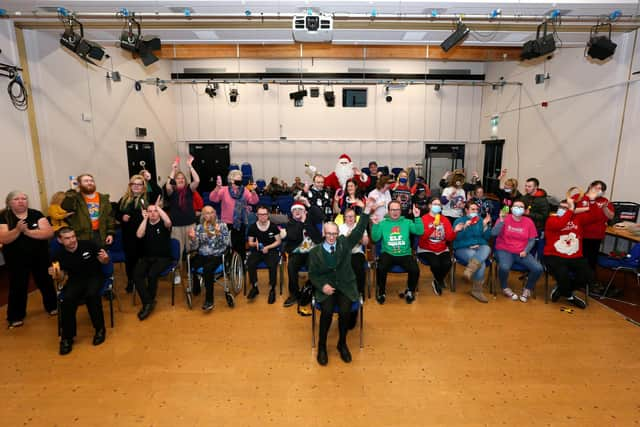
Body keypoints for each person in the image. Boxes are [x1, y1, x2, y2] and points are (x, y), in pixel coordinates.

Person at [309, 198, 374, 366]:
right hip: (326, 288)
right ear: (324, 233)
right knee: (328, 311)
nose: (331, 237)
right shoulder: (315, 252)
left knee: (345, 311)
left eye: (334, 234)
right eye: (328, 233)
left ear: (338, 234)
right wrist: (322, 286)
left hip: (345, 285)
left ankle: (342, 343)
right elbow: (313, 275)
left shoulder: (344, 243)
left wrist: (366, 212)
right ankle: (322, 346)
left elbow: (359, 231)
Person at [0, 191, 57, 328]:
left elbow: (48, 233)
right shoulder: (3, 217)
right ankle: (15, 316)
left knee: (45, 281)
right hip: (16, 259)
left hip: (40, 256)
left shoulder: (36, 214)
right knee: (18, 286)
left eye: (24, 198)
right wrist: (17, 230)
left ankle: (53, 306)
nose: (21, 201)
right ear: (9, 202)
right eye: (16, 199)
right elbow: (4, 238)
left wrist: (27, 232)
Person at [49, 227, 109, 355]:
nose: (72, 240)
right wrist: (56, 274)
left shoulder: (89, 245)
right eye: (67, 238)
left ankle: (100, 329)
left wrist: (105, 259)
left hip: (94, 276)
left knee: (92, 296)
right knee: (67, 300)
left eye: (73, 237)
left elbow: (105, 261)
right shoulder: (58, 255)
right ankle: (67, 338)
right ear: (60, 240)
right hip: (75, 280)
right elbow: (60, 277)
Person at [544, 199, 598, 309]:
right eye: (561, 207)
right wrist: (570, 210)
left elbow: (595, 216)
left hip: (575, 256)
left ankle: (561, 289)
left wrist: (591, 201)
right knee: (562, 273)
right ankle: (569, 296)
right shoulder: (552, 219)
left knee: (588, 276)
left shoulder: (579, 219)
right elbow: (560, 224)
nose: (562, 210)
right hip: (554, 255)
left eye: (566, 208)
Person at [371, 201, 424, 304]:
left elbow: (419, 231)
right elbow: (375, 238)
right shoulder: (383, 223)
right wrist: (375, 225)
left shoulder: (407, 222)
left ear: (401, 210)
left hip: (405, 254)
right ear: (388, 211)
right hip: (388, 253)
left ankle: (410, 291)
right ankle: (381, 292)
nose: (395, 212)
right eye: (392, 210)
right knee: (381, 268)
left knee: (415, 269)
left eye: (397, 209)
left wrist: (417, 217)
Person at [492, 200, 543, 302]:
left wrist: (526, 250)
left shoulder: (529, 222)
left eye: (521, 207)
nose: (518, 208)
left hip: (521, 252)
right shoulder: (504, 218)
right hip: (504, 249)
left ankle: (527, 288)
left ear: (524, 210)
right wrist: (501, 220)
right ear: (511, 208)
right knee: (504, 267)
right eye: (516, 206)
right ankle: (504, 287)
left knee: (538, 268)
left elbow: (532, 239)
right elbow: (493, 233)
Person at [133, 203, 173, 321]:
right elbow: (139, 235)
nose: (153, 213)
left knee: (152, 274)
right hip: (147, 258)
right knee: (136, 274)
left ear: (159, 212)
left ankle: (148, 303)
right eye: (150, 211)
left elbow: (169, 221)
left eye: (155, 211)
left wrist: (158, 207)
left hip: (163, 258)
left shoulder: (164, 224)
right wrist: (145, 218)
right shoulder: (145, 224)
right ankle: (148, 302)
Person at [209, 169, 258, 261]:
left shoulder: (245, 191)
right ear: (231, 180)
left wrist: (254, 191)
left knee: (240, 247)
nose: (240, 180)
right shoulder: (224, 190)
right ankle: (228, 266)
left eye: (240, 178)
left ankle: (241, 268)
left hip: (240, 223)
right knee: (227, 247)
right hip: (227, 224)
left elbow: (253, 201)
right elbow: (213, 198)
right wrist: (217, 188)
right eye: (237, 178)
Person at [165, 156, 200, 285]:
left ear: (185, 181)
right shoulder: (171, 192)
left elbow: (197, 180)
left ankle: (193, 272)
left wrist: (190, 166)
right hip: (176, 227)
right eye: (178, 179)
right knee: (177, 252)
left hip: (190, 224)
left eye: (182, 179)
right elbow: (168, 185)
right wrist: (173, 170)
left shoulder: (190, 191)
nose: (180, 180)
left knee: (193, 249)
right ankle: (178, 273)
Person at [188, 206, 230, 311]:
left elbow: (226, 244)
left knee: (207, 269)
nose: (210, 215)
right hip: (203, 255)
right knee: (191, 263)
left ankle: (209, 300)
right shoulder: (199, 227)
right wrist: (193, 239)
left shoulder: (222, 225)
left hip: (217, 255)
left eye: (212, 212)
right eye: (207, 213)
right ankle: (196, 285)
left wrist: (219, 234)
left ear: (215, 213)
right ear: (203, 215)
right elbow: (194, 247)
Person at [282, 201, 323, 307]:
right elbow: (295, 236)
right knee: (291, 266)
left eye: (299, 209)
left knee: (314, 266)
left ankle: (314, 291)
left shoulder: (311, 221)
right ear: (291, 213)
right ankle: (294, 294)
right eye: (294, 210)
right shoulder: (290, 224)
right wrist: (302, 223)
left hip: (312, 252)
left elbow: (317, 238)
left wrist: (306, 221)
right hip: (297, 252)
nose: (297, 212)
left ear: (304, 212)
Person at [417, 198, 460, 296]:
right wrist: (432, 226)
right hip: (426, 248)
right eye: (434, 204)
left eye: (439, 204)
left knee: (447, 263)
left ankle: (437, 280)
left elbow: (449, 238)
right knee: (435, 264)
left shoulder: (444, 219)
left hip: (442, 248)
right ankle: (439, 281)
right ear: (429, 206)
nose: (437, 206)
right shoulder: (423, 219)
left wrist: (455, 231)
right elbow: (422, 237)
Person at [453, 201, 493, 303]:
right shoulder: (459, 221)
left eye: (477, 209)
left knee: (487, 248)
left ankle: (470, 270)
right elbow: (456, 238)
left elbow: (487, 237)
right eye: (472, 209)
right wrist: (464, 228)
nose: (475, 211)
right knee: (481, 264)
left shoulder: (479, 221)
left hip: (480, 247)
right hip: (463, 248)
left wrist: (485, 225)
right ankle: (477, 291)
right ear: (466, 210)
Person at [571, 180, 615, 272]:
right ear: (591, 186)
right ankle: (575, 278)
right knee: (577, 258)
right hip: (579, 233)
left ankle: (589, 281)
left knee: (591, 259)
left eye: (602, 190)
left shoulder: (604, 201)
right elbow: (570, 211)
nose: (600, 191)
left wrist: (604, 208)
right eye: (598, 188)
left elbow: (611, 216)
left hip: (596, 235)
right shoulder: (578, 197)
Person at [116, 175, 149, 293]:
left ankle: (141, 280)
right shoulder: (124, 200)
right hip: (128, 236)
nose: (136, 186)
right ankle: (131, 281)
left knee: (143, 259)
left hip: (144, 236)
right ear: (130, 186)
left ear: (143, 187)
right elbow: (117, 214)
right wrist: (122, 217)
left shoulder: (146, 200)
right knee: (130, 260)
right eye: (133, 184)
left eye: (139, 184)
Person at [61, 174, 115, 246]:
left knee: (101, 256)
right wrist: (73, 191)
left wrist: (110, 233)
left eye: (91, 181)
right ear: (79, 184)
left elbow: (110, 217)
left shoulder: (103, 198)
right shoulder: (75, 198)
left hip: (100, 234)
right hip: (81, 236)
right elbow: (66, 207)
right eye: (86, 181)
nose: (89, 183)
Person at [246, 205, 282, 304]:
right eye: (260, 214)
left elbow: (278, 241)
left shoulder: (273, 226)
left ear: (268, 215)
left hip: (271, 250)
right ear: (257, 215)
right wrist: (255, 244)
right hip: (257, 251)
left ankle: (272, 289)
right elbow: (250, 242)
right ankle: (255, 287)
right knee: (250, 263)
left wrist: (268, 247)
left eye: (265, 214)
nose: (262, 216)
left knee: (272, 265)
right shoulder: (253, 227)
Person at [338, 208, 369, 298]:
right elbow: (337, 244)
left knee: (358, 266)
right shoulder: (340, 227)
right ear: (344, 218)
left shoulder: (359, 226)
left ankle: (360, 292)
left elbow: (366, 242)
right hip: (343, 254)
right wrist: (347, 238)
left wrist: (357, 238)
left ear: (355, 217)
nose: (350, 218)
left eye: (352, 216)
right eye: (348, 216)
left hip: (357, 252)